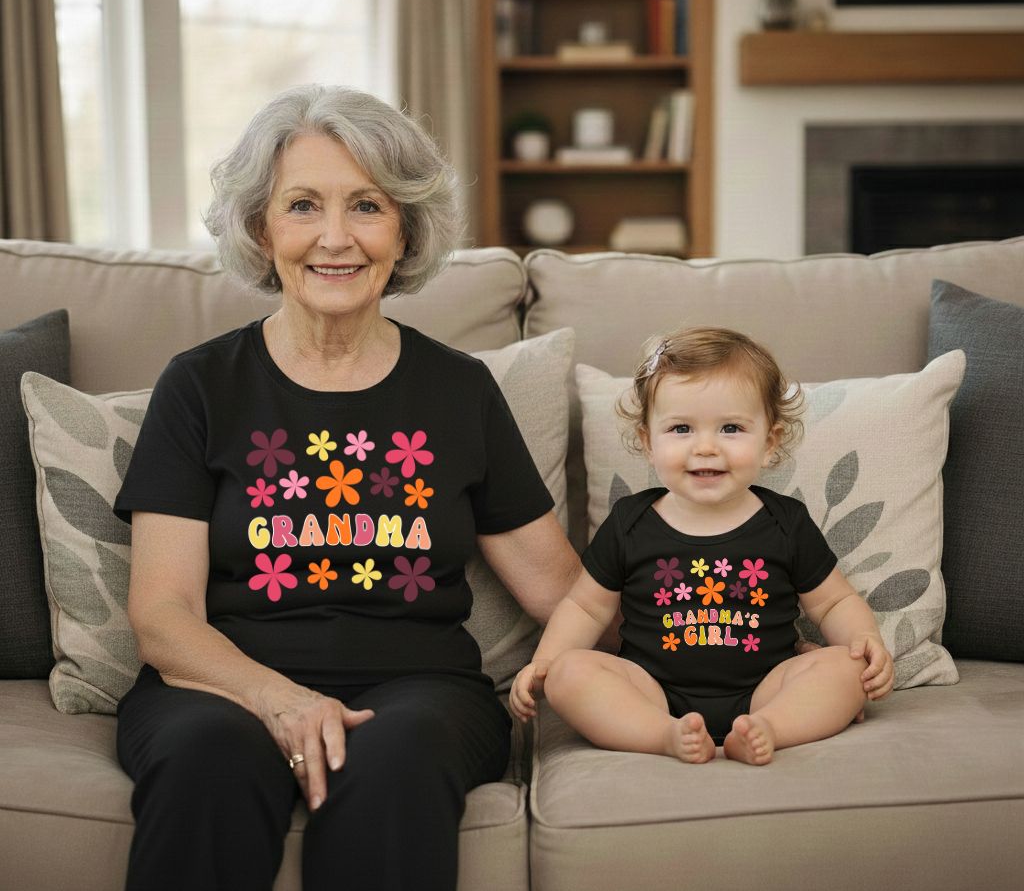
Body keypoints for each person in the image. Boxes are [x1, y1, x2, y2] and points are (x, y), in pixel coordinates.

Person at [113, 84, 579, 891]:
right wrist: (279, 698)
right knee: (205, 758)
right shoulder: (199, 386)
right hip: (223, 685)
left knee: (397, 760)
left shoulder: (458, 390)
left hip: (423, 690)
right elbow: (161, 615)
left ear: (406, 229)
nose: (336, 238)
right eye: (303, 206)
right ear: (262, 229)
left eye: (366, 205)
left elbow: (568, 593)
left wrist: (721, 661)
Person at [511, 327, 894, 765]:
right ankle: (663, 736)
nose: (706, 447)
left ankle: (770, 729)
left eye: (731, 428)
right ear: (647, 441)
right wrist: (544, 662)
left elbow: (832, 603)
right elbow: (585, 608)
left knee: (844, 670)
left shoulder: (785, 523)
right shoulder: (630, 523)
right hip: (649, 691)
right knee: (568, 674)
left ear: (769, 442)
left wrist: (865, 640)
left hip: (767, 688)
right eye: (681, 429)